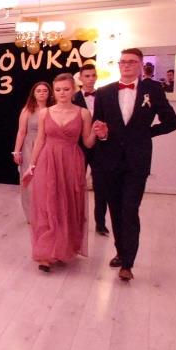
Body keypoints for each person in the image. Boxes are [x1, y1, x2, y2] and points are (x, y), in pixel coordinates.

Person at [91, 48, 176, 281]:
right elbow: (98, 125)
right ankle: (121, 252)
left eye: (131, 61)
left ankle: (128, 263)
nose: (126, 65)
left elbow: (172, 122)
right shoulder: (104, 92)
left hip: (137, 162)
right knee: (115, 210)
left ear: (141, 65)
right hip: (110, 161)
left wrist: (145, 133)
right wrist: (102, 135)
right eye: (123, 62)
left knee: (130, 210)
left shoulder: (153, 90)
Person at [23, 73, 97, 272]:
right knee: (47, 204)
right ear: (53, 92)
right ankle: (46, 253)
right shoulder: (45, 113)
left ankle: (63, 248)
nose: (62, 93)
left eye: (66, 89)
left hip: (72, 161)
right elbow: (40, 140)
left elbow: (88, 142)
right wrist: (32, 165)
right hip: (47, 160)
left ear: (73, 90)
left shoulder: (83, 113)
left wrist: (98, 133)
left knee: (68, 205)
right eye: (58, 90)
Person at [73, 64, 109, 234]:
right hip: (78, 147)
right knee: (76, 185)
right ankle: (76, 220)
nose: (90, 79)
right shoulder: (72, 98)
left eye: (93, 75)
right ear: (80, 78)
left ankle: (100, 224)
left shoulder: (105, 96)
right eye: (87, 76)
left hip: (101, 148)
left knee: (101, 186)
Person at [13, 81, 55, 223]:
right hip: (29, 147)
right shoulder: (27, 110)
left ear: (49, 93)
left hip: (49, 146)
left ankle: (47, 214)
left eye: (45, 90)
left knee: (47, 181)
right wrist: (16, 151)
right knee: (30, 181)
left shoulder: (54, 109)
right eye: (38, 91)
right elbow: (21, 132)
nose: (42, 93)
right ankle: (32, 215)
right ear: (34, 94)